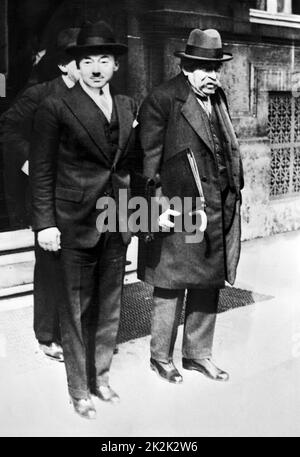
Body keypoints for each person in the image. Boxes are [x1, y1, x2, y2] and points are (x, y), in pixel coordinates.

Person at [30, 20, 138, 419]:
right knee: (74, 309)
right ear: (75, 65)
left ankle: (101, 378)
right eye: (87, 59)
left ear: (115, 66)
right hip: (72, 222)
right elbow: (41, 170)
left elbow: (133, 166)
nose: (95, 67)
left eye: (104, 59)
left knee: (110, 305)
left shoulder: (128, 106)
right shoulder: (55, 106)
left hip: (116, 219)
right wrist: (45, 224)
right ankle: (79, 389)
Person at [138, 29, 244, 384]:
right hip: (178, 206)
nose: (211, 76)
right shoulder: (163, 99)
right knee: (171, 282)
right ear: (186, 67)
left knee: (208, 281)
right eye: (203, 68)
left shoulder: (219, 98)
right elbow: (147, 161)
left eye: (216, 69)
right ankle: (160, 357)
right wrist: (155, 209)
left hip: (216, 206)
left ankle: (198, 355)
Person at [0, 28, 80, 362]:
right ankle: (47, 335)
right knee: (50, 265)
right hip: (50, 194)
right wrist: (29, 162)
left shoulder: (101, 97)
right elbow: (6, 127)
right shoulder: (41, 94)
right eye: (83, 59)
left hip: (84, 195)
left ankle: (76, 331)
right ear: (64, 65)